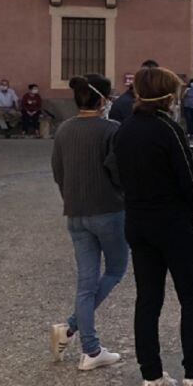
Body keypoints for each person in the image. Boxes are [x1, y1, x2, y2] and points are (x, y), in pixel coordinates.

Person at [113, 65, 193, 386]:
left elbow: (114, 172)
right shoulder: (168, 128)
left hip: (137, 220)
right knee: (192, 297)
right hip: (173, 223)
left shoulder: (124, 129)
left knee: (148, 299)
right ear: (168, 96)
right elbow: (189, 176)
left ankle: (151, 377)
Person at [49, 74, 127, 370]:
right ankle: (79, 337)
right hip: (108, 210)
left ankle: (84, 341)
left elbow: (58, 171)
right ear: (103, 99)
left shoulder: (64, 129)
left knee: (86, 282)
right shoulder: (112, 129)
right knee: (116, 269)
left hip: (75, 212)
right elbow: (118, 172)